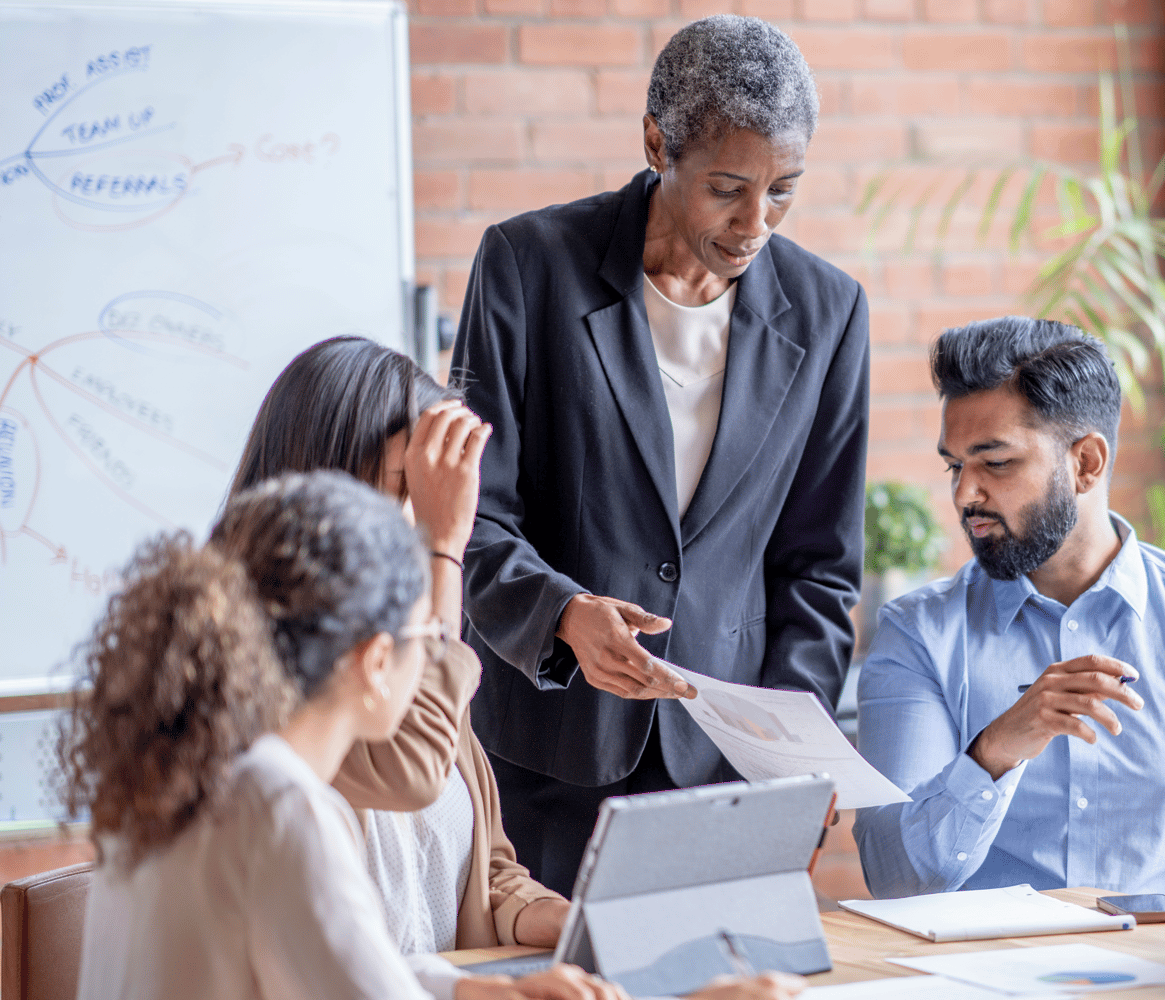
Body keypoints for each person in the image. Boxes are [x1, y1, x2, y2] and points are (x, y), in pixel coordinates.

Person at [68, 472, 806, 999]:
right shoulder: (277, 803)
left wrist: (462, 991)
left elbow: (343, 963)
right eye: (431, 635)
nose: (446, 663)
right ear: (376, 661)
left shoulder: (195, 777)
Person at [455, 13, 867, 896]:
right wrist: (563, 614)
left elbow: (820, 567)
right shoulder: (528, 267)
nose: (757, 222)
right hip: (550, 758)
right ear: (656, 143)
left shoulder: (830, 312)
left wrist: (795, 749)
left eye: (784, 190)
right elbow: (470, 517)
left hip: (726, 769)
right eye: (728, 187)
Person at [853, 317, 1165, 904]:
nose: (965, 494)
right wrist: (996, 750)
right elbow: (895, 878)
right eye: (955, 466)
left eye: (995, 463)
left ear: (1086, 463)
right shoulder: (917, 635)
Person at [229, 335, 566, 951]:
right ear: (328, 483)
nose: (420, 514)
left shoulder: (400, 634)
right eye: (405, 487)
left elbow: (484, 866)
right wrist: (443, 547)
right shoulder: (250, 658)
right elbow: (410, 774)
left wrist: (554, 918)